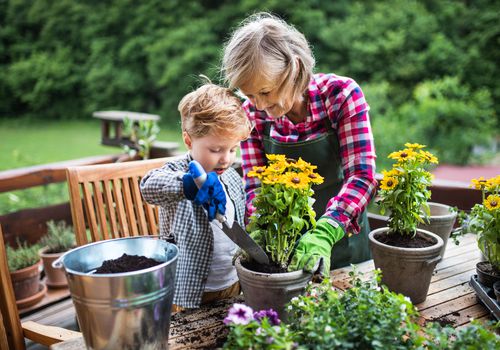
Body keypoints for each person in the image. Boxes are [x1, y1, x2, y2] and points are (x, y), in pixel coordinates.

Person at [222, 13, 377, 276]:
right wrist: (259, 226)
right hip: (284, 254)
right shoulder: (253, 114)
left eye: (265, 92)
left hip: (344, 245)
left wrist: (326, 232)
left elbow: (363, 176)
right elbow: (256, 184)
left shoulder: (340, 95)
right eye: (248, 94)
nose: (258, 104)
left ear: (293, 69)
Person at [140, 82, 252, 310]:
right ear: (188, 140)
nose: (226, 159)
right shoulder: (177, 171)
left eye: (232, 149)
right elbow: (149, 186)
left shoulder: (230, 175)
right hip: (188, 290)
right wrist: (189, 185)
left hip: (232, 282)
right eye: (216, 150)